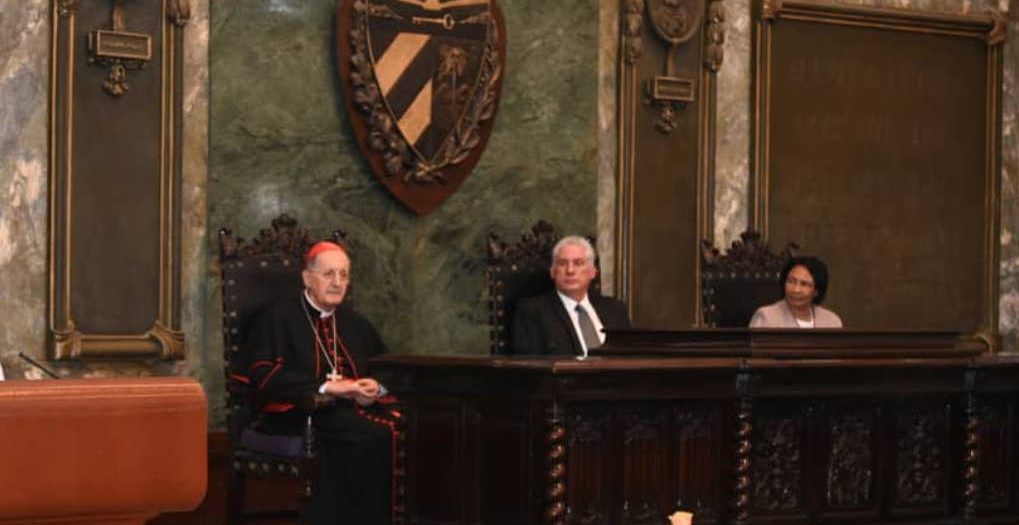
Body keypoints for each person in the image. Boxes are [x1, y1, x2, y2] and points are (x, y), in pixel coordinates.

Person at [246, 240, 397, 525]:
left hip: (352, 414)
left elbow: (387, 368)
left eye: (344, 275)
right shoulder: (279, 318)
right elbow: (262, 376)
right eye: (329, 274)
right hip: (296, 413)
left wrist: (376, 389)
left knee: (406, 428)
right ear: (307, 278)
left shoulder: (355, 322)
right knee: (371, 435)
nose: (338, 282)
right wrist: (326, 387)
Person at [511, 235, 631, 356]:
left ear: (592, 272)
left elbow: (630, 359)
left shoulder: (615, 309)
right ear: (553, 272)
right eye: (562, 263)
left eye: (578, 263)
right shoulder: (532, 312)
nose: (570, 270)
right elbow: (530, 367)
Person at [749, 255, 843, 328]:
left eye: (804, 284)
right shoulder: (766, 317)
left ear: (816, 291)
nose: (795, 290)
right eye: (791, 281)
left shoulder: (832, 322)